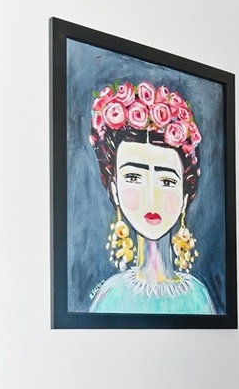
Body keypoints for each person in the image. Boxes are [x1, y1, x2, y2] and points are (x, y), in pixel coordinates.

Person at [87, 80, 216, 314]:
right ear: (115, 190)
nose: (151, 197)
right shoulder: (110, 296)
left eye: (166, 182)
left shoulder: (199, 297)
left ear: (185, 196)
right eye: (133, 177)